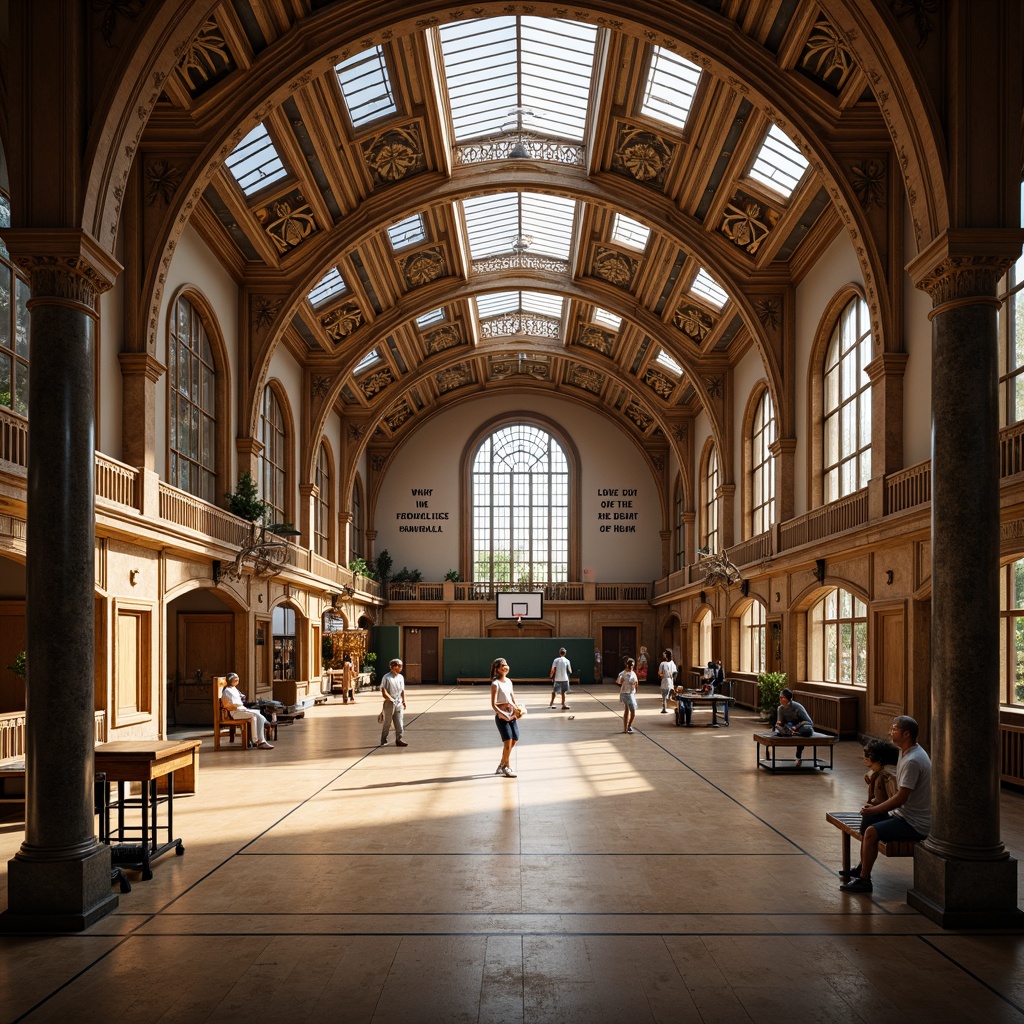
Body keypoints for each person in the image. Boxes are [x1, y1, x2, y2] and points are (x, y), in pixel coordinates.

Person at [840, 716, 932, 894]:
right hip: (903, 815)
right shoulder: (905, 751)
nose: (891, 732)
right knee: (869, 818)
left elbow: (901, 798)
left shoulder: (913, 760)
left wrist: (875, 807)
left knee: (871, 832)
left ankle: (865, 880)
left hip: (915, 823)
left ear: (906, 734)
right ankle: (862, 867)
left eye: (895, 729)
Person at [220, 672, 274, 749]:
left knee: (260, 717)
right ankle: (257, 740)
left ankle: (261, 740)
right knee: (254, 716)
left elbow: (240, 697)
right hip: (235, 712)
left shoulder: (234, 689)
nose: (237, 680)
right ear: (230, 680)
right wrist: (238, 704)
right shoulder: (227, 691)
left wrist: (241, 698)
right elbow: (227, 704)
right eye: (235, 679)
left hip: (241, 710)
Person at [859, 738, 900, 831]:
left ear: (879, 758)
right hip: (883, 811)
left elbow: (895, 802)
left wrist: (875, 809)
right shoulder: (878, 771)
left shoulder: (888, 775)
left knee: (868, 821)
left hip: (892, 816)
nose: (865, 758)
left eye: (868, 755)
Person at [490, 658, 519, 777]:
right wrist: (501, 714)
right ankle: (507, 767)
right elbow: (493, 704)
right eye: (502, 666)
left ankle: (501, 764)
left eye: (506, 664)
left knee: (514, 740)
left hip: (512, 716)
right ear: (497, 669)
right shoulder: (495, 684)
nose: (505, 667)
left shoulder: (509, 681)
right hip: (502, 718)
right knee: (507, 743)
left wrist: (517, 709)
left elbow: (512, 698)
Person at [774, 687, 814, 765]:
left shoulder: (797, 707)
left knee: (808, 730)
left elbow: (809, 722)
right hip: (788, 726)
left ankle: (798, 755)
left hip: (800, 727)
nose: (781, 699)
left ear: (788, 699)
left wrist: (796, 727)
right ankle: (790, 733)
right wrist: (780, 725)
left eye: (783, 698)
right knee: (777, 729)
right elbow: (779, 722)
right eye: (780, 698)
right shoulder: (780, 709)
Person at [379, 658, 408, 747]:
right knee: (387, 722)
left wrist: (404, 700)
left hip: (398, 702)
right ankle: (383, 739)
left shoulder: (401, 677)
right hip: (389, 702)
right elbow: (383, 691)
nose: (401, 668)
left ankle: (399, 739)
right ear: (394, 667)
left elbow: (402, 690)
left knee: (399, 721)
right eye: (400, 666)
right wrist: (390, 699)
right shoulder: (386, 677)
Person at [617, 657, 638, 733]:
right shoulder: (622, 673)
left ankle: (628, 726)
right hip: (625, 693)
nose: (632, 667)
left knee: (632, 711)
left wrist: (635, 685)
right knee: (628, 710)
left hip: (631, 693)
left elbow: (636, 682)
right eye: (631, 665)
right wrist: (621, 680)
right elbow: (618, 681)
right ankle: (626, 728)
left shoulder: (633, 673)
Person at [657, 649, 677, 713]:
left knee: (664, 696)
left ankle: (665, 708)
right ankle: (674, 706)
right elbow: (675, 673)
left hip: (665, 680)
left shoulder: (662, 664)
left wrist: (661, 675)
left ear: (666, 655)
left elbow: (660, 673)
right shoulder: (672, 663)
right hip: (670, 681)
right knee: (669, 695)